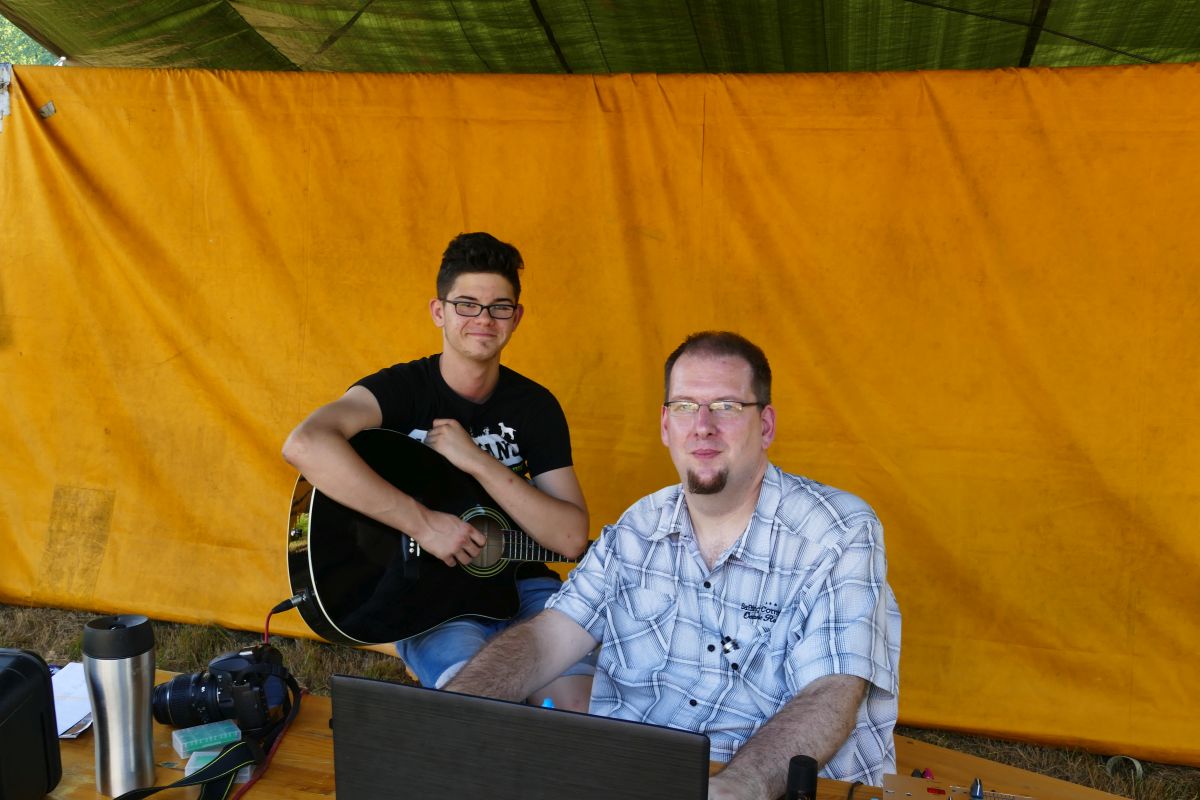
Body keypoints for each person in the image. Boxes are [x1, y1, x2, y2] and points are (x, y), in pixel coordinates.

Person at [445, 330, 901, 796]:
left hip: (771, 788)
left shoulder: (837, 531)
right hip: (639, 776)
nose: (702, 426)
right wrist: (448, 712)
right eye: (685, 406)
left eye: (726, 406)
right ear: (666, 425)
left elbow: (832, 691)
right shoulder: (638, 528)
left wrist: (734, 789)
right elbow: (548, 638)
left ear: (765, 425)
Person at [282, 231, 594, 711]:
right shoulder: (401, 390)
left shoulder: (535, 407)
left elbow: (571, 539)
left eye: (499, 307)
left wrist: (476, 460)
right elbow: (306, 444)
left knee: (578, 715)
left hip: (526, 589)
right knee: (476, 712)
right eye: (466, 305)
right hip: (430, 599)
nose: (483, 319)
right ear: (438, 311)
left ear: (516, 318)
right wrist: (424, 525)